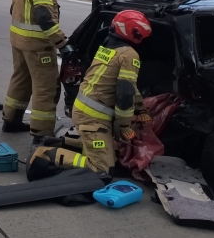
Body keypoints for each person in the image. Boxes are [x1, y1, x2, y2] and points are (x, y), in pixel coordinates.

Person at [29, 10, 152, 174]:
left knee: (108, 150)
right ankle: (47, 155)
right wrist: (124, 126)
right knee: (103, 169)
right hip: (93, 119)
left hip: (85, 111)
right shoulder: (129, 55)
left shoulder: (109, 45)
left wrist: (141, 108)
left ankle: (57, 142)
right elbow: (125, 94)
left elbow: (129, 86)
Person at [3, 0, 74, 141]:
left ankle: (11, 120)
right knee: (45, 87)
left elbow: (13, 9)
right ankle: (42, 133)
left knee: (20, 80)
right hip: (37, 46)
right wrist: (62, 44)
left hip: (18, 41)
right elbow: (44, 17)